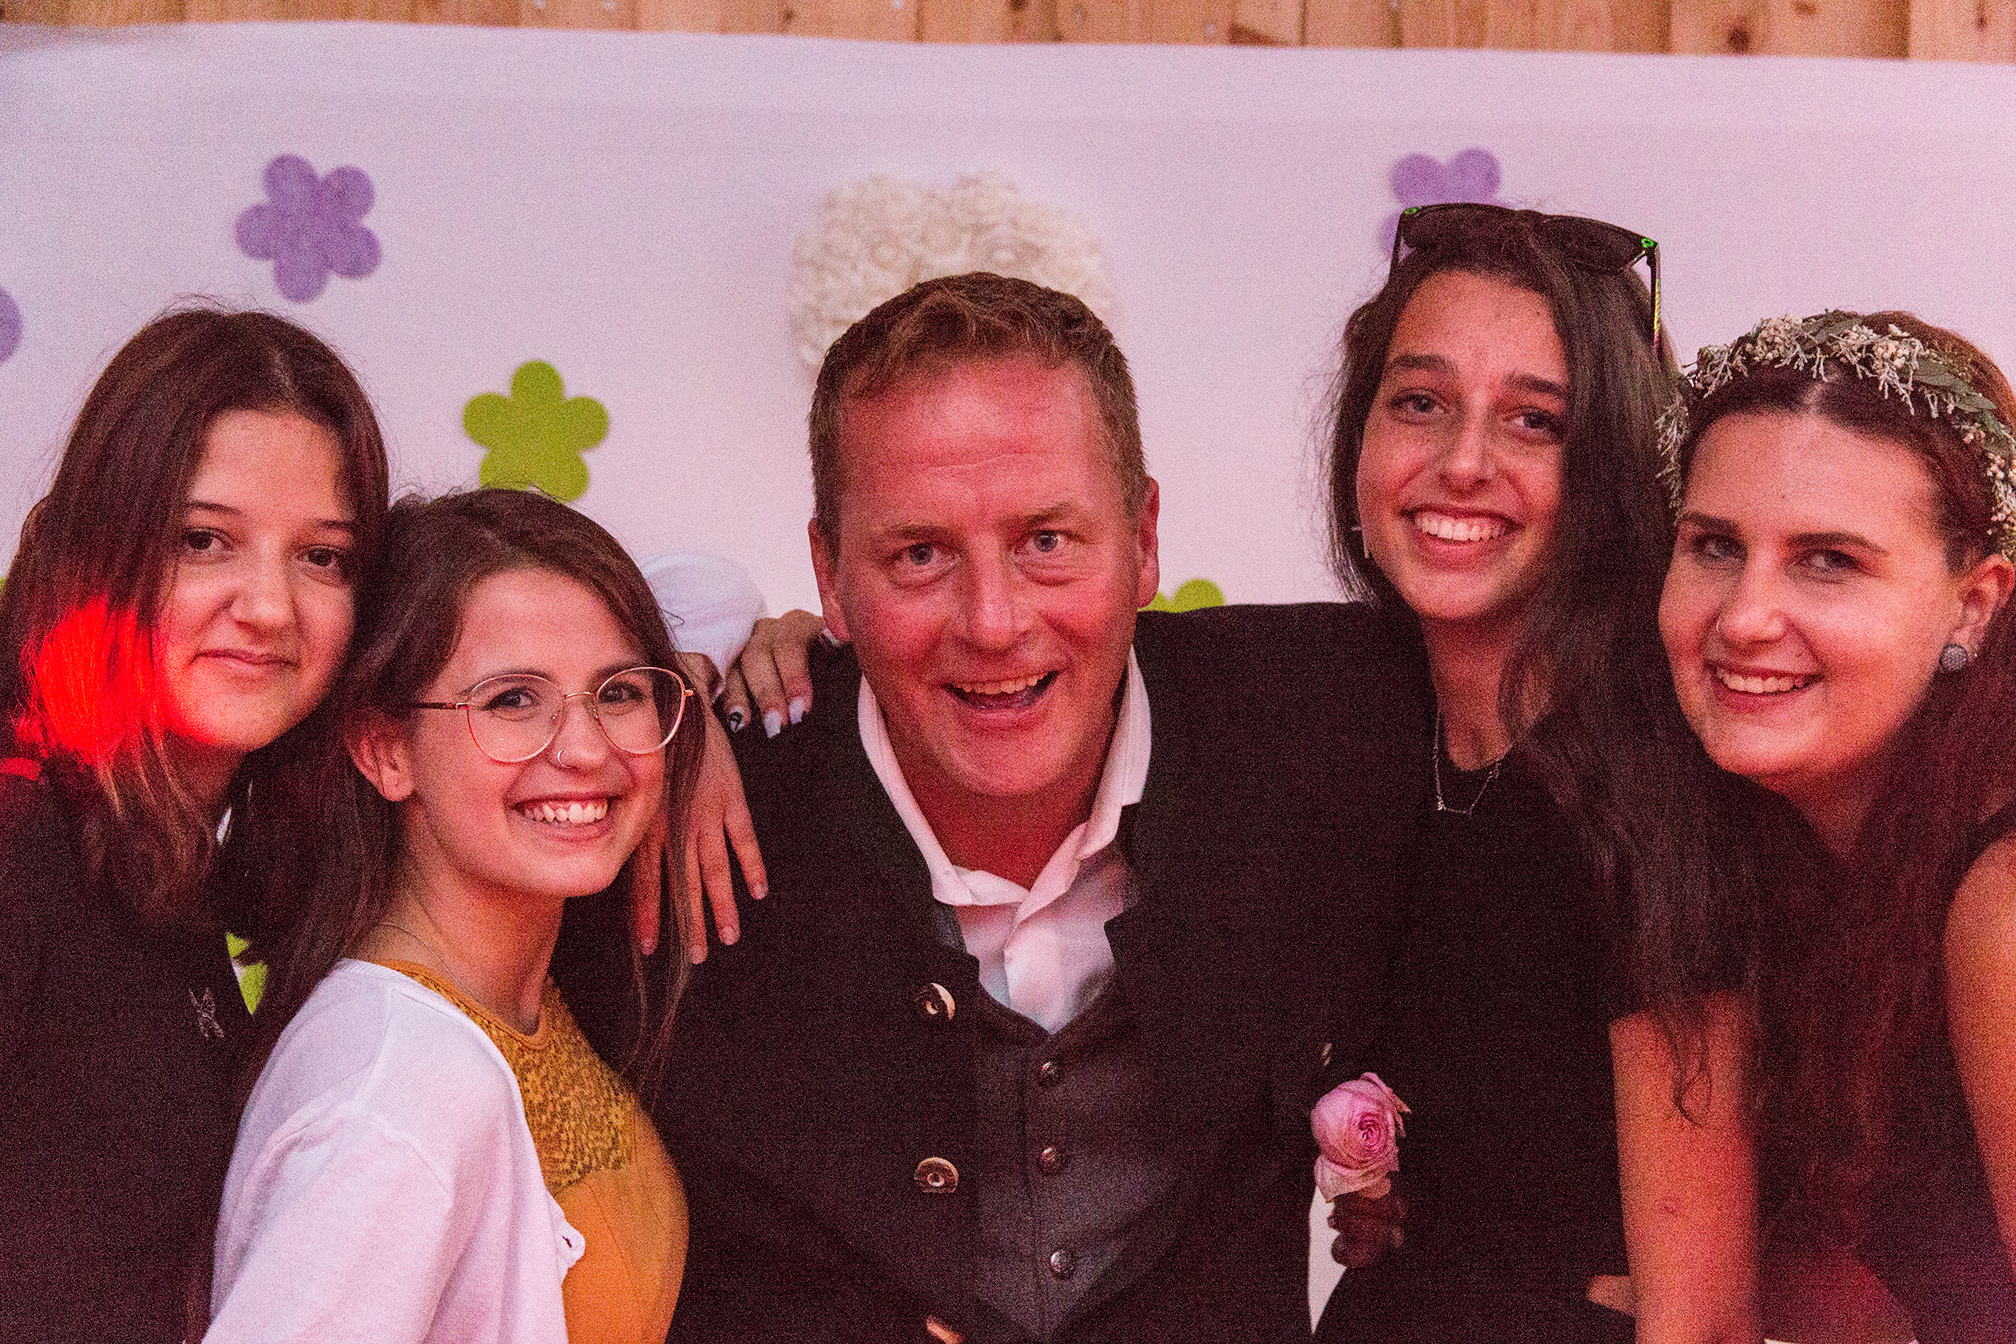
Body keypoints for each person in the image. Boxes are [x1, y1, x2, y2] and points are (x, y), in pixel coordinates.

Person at [658, 271, 1426, 1342]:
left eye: (1047, 542)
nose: (992, 621)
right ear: (830, 577)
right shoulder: (682, 805)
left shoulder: (1335, 720)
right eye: (919, 554)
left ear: (1145, 538)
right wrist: (659, 676)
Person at [1312, 204, 1758, 1343]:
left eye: (1535, 421)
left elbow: (1697, 1321)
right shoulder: (1348, 731)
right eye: (1420, 402)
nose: (1463, 463)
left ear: (1614, 468)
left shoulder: (1643, 795)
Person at [207, 487, 704, 1343]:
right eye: (512, 700)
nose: (587, 749)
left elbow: (715, 593)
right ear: (384, 750)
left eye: (619, 692)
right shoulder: (400, 1093)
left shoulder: (518, 999)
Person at [0, 307, 389, 1344]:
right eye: (203, 540)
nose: (269, 607)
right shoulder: (19, 834)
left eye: (323, 558)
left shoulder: (211, 879)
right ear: (100, 549)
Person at [1658, 310, 2016, 1341]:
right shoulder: (1779, 856)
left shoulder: (2001, 898)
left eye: (1828, 561)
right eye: (1715, 546)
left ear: (1975, 605)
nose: (1743, 618)